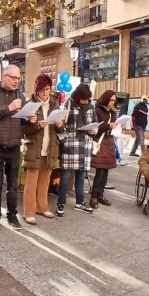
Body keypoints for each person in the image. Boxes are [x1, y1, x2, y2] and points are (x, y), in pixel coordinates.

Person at [0, 65, 37, 230]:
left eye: (18, 78)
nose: (16, 81)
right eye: (13, 78)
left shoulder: (20, 94)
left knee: (13, 184)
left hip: (14, 145)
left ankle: (12, 216)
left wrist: (31, 118)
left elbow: (23, 120)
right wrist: (9, 108)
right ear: (3, 76)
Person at [21, 75, 63, 224]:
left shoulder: (55, 103)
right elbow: (22, 129)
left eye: (47, 89)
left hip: (50, 147)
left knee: (45, 180)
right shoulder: (29, 104)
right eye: (42, 90)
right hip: (33, 148)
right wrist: (36, 125)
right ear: (36, 89)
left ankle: (42, 207)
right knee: (32, 181)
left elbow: (61, 129)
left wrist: (60, 125)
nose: (45, 93)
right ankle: (29, 211)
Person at [56, 84, 96, 216]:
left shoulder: (91, 108)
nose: (86, 101)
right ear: (78, 97)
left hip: (85, 145)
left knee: (80, 175)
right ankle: (61, 203)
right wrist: (64, 140)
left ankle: (80, 202)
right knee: (66, 176)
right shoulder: (68, 105)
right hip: (71, 145)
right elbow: (60, 125)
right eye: (84, 99)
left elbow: (95, 123)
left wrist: (93, 130)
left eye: (87, 99)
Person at [90, 90, 118, 208]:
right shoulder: (97, 110)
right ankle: (94, 196)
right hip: (100, 141)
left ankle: (100, 194)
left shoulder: (112, 112)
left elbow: (110, 128)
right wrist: (108, 126)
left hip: (109, 141)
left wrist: (117, 127)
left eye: (114, 100)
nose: (112, 102)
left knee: (106, 170)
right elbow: (95, 127)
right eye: (111, 100)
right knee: (100, 170)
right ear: (106, 98)